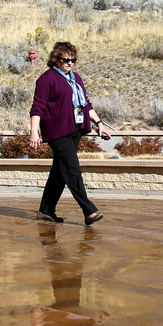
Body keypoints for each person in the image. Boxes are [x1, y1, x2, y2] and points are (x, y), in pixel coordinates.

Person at [29, 41, 111, 225]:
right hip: (57, 131)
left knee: (60, 172)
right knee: (72, 169)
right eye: (66, 59)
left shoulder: (76, 78)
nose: (70, 63)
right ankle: (89, 211)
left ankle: (45, 211)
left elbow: (86, 105)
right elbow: (37, 107)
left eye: (73, 59)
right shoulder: (46, 79)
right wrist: (34, 132)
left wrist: (99, 123)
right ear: (56, 59)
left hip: (74, 130)